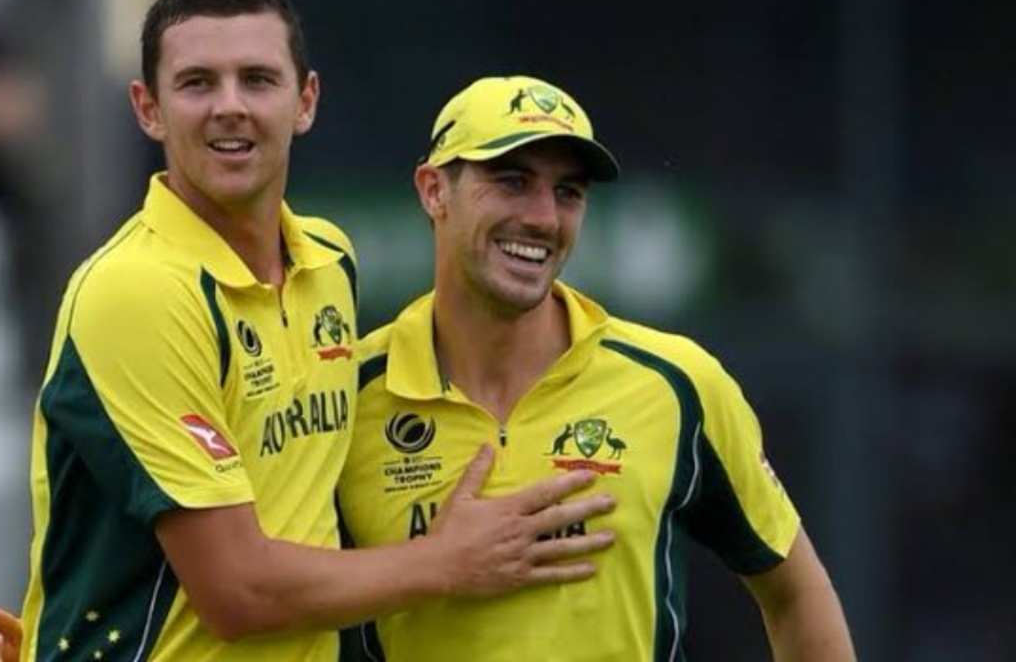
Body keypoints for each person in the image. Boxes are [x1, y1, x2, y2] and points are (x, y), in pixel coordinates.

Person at [0, 0, 614, 662]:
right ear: (148, 109)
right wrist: (447, 561)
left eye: (258, 80)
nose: (231, 106)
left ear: (306, 100)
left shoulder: (327, 261)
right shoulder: (136, 289)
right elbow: (238, 592)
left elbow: (304, 499)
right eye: (198, 83)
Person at [335, 75, 855, 660]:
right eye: (512, 181)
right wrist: (436, 564)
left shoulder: (676, 383)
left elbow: (795, 592)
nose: (543, 218)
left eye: (569, 192)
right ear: (434, 191)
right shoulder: (344, 395)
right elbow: (267, 596)